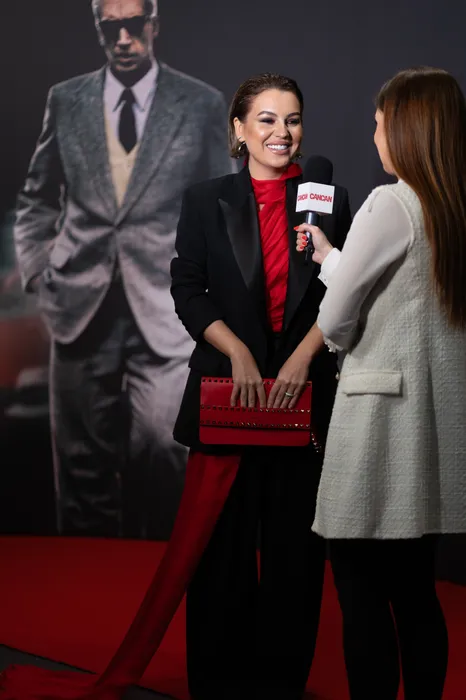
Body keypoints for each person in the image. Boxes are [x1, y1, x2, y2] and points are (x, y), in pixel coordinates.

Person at [13, 0, 234, 539]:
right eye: (109, 28)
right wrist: (39, 270)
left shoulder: (200, 102)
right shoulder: (66, 99)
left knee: (163, 449)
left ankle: (156, 576)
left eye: (133, 25)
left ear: (154, 25)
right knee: (79, 470)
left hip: (165, 307)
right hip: (79, 307)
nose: (123, 39)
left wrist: (207, 288)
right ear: (98, 28)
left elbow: (222, 205)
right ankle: (84, 583)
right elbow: (37, 198)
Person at [170, 72, 351, 700]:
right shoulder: (205, 200)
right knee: (220, 557)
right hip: (229, 396)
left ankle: (279, 685)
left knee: (294, 560)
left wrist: (302, 357)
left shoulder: (329, 199)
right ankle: (218, 684)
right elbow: (187, 289)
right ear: (239, 129)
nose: (282, 132)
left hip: (304, 402)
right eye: (268, 119)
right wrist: (237, 351)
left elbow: (344, 292)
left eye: (293, 119)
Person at [295, 66, 466, 700]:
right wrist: (331, 258)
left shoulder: (388, 202)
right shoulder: (451, 207)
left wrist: (334, 305)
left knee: (361, 591)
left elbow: (339, 316)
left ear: (407, 128)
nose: (373, 135)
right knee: (415, 590)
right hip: (430, 423)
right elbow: (407, 292)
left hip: (379, 424)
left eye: (379, 122)